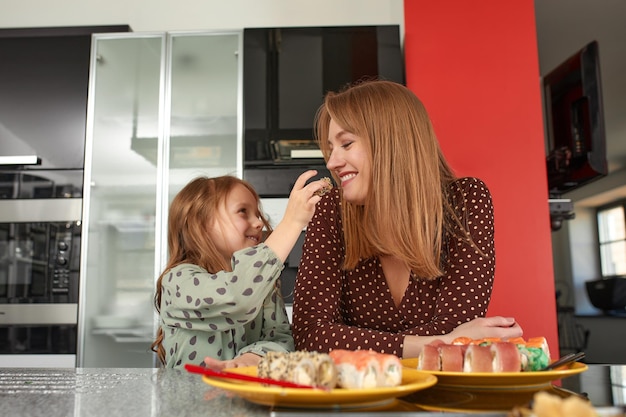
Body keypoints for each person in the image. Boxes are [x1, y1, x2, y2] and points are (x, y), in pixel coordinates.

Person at [292, 80, 523, 359]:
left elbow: (457, 327)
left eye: (346, 144)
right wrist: (440, 342)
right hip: (357, 397)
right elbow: (310, 335)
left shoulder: (465, 201)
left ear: (391, 141)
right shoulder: (330, 210)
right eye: (331, 148)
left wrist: (449, 338)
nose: (331, 162)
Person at [151, 171, 329, 369]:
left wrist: (251, 358)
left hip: (246, 399)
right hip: (192, 398)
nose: (259, 222)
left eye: (258, 214)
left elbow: (281, 339)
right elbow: (237, 298)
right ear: (200, 224)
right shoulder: (177, 281)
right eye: (243, 211)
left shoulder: (263, 286)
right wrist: (292, 223)